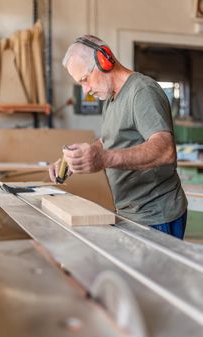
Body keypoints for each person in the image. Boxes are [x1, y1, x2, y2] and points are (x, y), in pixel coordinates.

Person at [49, 35, 188, 239]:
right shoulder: (112, 98)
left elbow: (165, 150)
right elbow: (109, 140)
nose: (86, 90)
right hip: (131, 212)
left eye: (85, 79)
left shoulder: (142, 91)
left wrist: (103, 159)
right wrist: (77, 158)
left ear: (104, 59)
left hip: (156, 215)